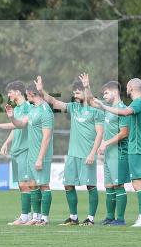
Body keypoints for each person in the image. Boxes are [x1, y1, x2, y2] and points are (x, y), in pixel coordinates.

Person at [35, 75, 103, 226]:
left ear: (85, 92)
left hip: (87, 155)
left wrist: (93, 153)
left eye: (78, 92)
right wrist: (41, 90)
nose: (75, 95)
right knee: (68, 185)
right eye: (74, 93)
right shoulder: (73, 107)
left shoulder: (96, 110)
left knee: (90, 186)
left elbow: (100, 133)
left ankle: (90, 219)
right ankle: (73, 217)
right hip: (72, 155)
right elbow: (54, 101)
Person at [90, 77, 141, 227]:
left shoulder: (137, 102)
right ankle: (140, 217)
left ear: (131, 88)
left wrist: (104, 107)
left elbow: (125, 113)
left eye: (127, 87)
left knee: (137, 184)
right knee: (138, 184)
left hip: (136, 149)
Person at [83, 78, 129, 226]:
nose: (103, 96)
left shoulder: (122, 109)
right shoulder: (108, 109)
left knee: (118, 185)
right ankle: (110, 217)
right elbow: (90, 100)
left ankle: (120, 219)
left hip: (119, 153)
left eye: (106, 93)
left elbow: (124, 133)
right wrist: (87, 86)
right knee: (109, 186)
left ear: (115, 92)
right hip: (108, 154)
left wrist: (106, 143)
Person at [0, 81, 34, 226]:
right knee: (21, 185)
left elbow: (20, 124)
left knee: (26, 184)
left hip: (25, 150)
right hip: (16, 150)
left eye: (10, 92)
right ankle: (27, 216)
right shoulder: (17, 108)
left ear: (18, 92)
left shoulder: (28, 107)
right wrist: (6, 143)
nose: (8, 95)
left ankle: (27, 217)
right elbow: (15, 128)